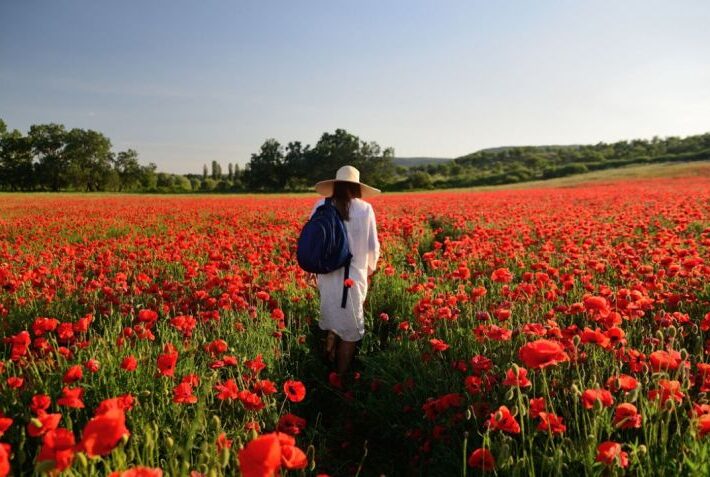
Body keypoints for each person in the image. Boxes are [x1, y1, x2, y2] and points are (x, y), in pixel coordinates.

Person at [309, 165, 380, 376]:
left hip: (327, 276)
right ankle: (339, 377)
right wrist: (367, 271)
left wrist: (314, 270)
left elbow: (313, 242)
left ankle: (329, 346)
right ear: (357, 187)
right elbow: (373, 248)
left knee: (332, 313)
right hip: (353, 277)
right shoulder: (365, 209)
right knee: (351, 330)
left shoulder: (321, 205)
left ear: (336, 184)